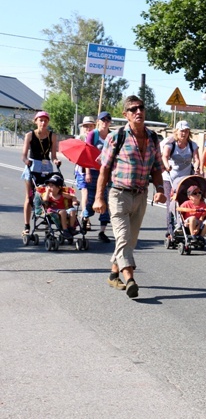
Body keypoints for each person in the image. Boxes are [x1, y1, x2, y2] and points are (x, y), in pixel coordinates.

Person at [93, 96, 166, 299]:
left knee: (129, 241)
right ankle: (130, 278)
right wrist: (99, 197)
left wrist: (159, 188)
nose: (138, 112)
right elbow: (104, 168)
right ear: (126, 115)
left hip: (141, 195)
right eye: (133, 109)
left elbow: (157, 169)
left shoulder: (153, 138)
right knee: (124, 239)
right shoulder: (116, 137)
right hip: (119, 194)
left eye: (141, 108)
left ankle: (113, 274)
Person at [21, 111, 60, 236]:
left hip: (46, 167)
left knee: (48, 194)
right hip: (32, 166)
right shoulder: (30, 135)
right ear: (36, 121)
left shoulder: (52, 136)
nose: (43, 122)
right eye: (41, 120)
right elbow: (23, 155)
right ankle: (26, 225)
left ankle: (47, 218)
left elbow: (53, 156)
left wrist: (56, 160)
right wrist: (26, 161)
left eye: (45, 120)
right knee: (30, 197)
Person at [162, 120, 202, 239]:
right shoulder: (171, 144)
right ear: (177, 131)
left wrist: (196, 166)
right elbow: (165, 156)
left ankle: (184, 227)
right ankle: (170, 230)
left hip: (185, 179)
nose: (184, 133)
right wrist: (166, 165)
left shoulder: (192, 145)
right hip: (170, 178)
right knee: (171, 204)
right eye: (182, 131)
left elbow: (196, 159)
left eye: (186, 131)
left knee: (185, 203)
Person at [83, 112, 113, 243]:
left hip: (106, 173)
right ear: (98, 121)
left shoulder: (112, 136)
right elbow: (87, 154)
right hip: (93, 172)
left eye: (107, 120)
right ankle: (85, 218)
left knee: (105, 201)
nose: (105, 122)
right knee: (91, 199)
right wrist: (87, 172)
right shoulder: (93, 135)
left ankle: (102, 231)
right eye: (103, 120)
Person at [41, 174, 79, 238]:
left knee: (72, 210)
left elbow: (72, 197)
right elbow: (45, 200)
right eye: (48, 185)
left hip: (63, 209)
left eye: (52, 185)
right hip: (52, 210)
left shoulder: (62, 194)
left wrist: (74, 201)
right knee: (63, 212)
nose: (49, 187)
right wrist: (47, 192)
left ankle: (71, 228)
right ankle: (65, 229)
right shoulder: (48, 194)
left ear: (59, 187)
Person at [75, 116, 96, 217]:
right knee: (85, 192)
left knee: (93, 196)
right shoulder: (80, 139)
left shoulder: (96, 138)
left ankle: (87, 213)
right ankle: (85, 217)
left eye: (90, 126)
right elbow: (77, 156)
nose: (88, 128)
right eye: (86, 126)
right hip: (81, 170)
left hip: (94, 169)